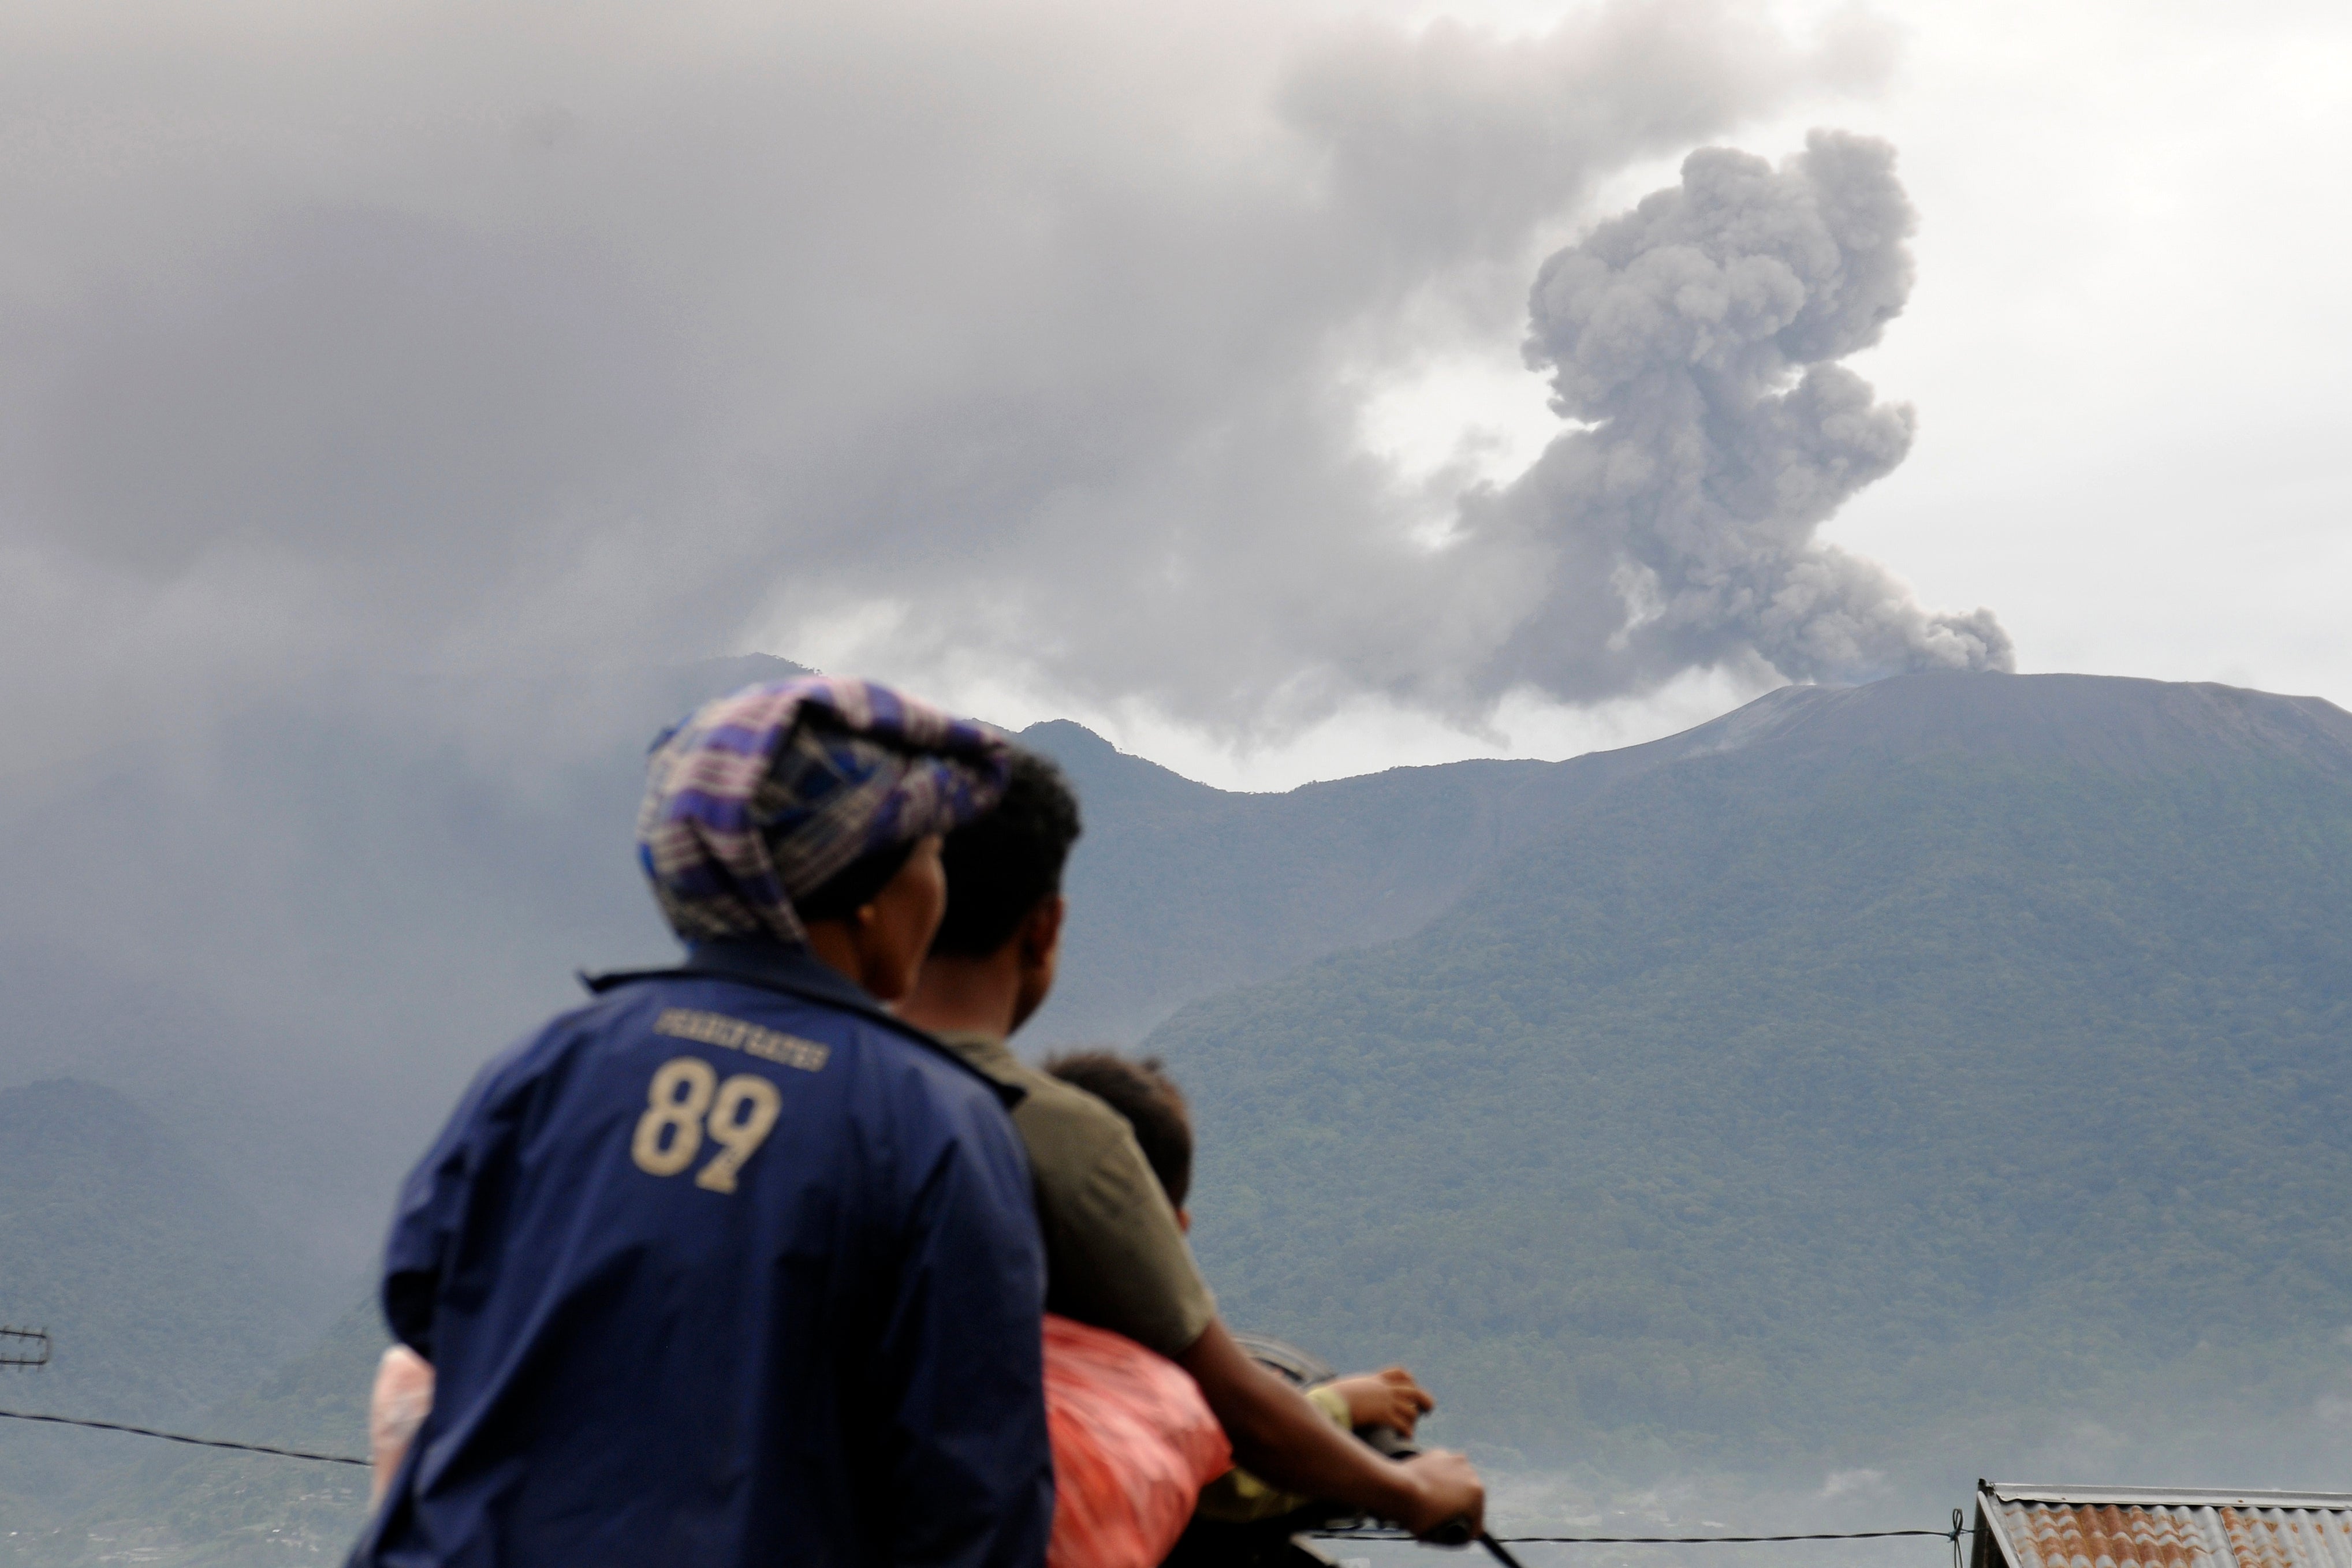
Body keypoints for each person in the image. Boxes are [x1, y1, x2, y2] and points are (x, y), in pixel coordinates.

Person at [349, 678, 1054, 1568]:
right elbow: (977, 1491)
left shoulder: (554, 1059)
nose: (937, 890)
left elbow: (420, 1289)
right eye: (929, 858)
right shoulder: (934, 1121)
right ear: (867, 892)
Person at [897, 750, 1483, 1540]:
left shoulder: (815, 1089)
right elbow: (1235, 1422)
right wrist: (1413, 1492)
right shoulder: (1057, 1137)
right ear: (1046, 928)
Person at [1043, 1050, 1433, 1524]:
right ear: (1166, 1232)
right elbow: (1225, 1480)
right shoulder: (1124, 1368)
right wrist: (1341, 1409)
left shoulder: (982, 1322)